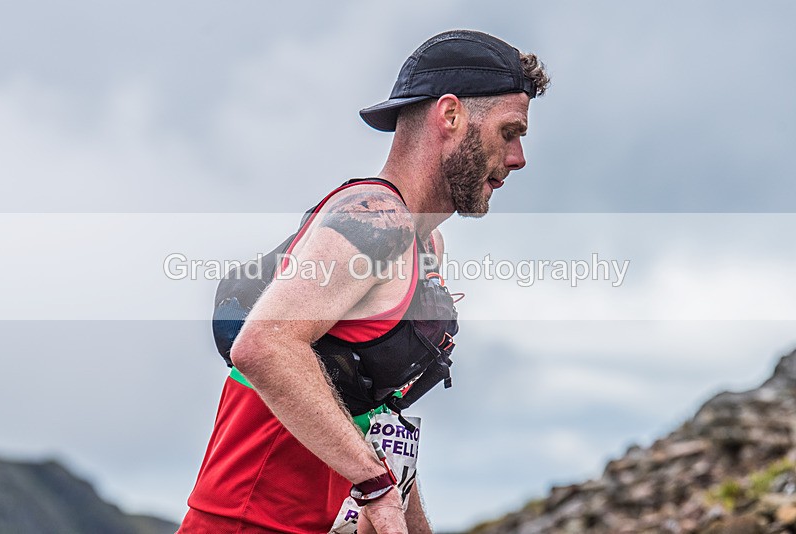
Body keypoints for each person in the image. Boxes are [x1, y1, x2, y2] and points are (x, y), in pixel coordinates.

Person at [179, 29, 549, 533]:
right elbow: (263, 345)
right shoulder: (372, 216)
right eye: (509, 132)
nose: (518, 157)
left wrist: (398, 510)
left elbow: (379, 424)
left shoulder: (425, 247)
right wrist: (374, 489)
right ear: (450, 115)